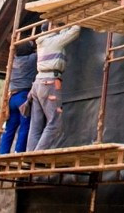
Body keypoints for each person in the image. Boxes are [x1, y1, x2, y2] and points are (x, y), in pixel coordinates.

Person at [26, 22, 81, 151]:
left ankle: (29, 155)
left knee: (36, 124)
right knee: (55, 123)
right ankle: (36, 156)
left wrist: (62, 27)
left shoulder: (43, 41)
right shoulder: (54, 41)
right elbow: (75, 31)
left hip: (38, 83)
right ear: (51, 28)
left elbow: (62, 35)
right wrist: (75, 19)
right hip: (49, 82)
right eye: (57, 25)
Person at [0, 40, 37, 154]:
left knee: (10, 128)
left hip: (12, 98)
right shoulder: (32, 59)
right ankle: (18, 151)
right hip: (23, 97)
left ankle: (2, 153)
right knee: (25, 125)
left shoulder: (13, 61)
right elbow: (42, 50)